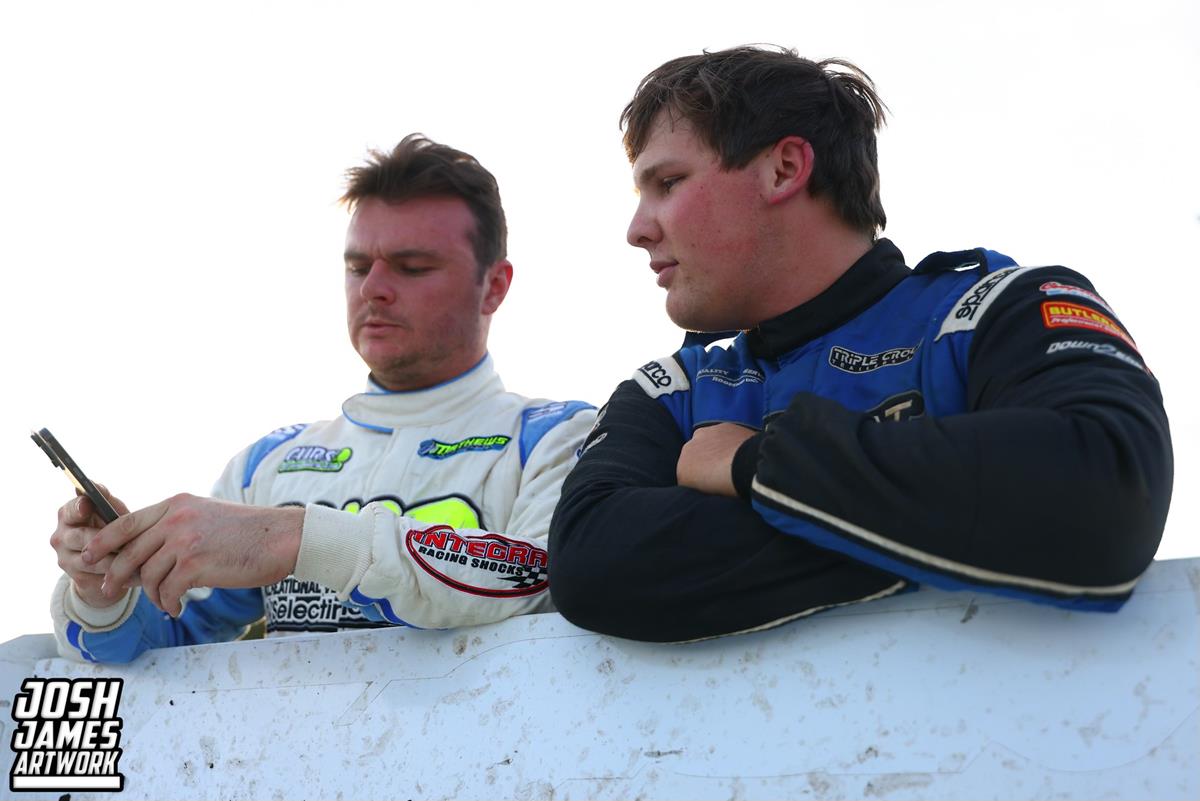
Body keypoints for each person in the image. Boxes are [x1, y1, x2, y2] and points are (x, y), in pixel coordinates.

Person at [548, 47, 1173, 642]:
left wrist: (752, 463)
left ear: (784, 169)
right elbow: (593, 567)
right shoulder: (673, 390)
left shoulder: (1002, 306)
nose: (637, 229)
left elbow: (1107, 494)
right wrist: (950, 526)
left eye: (668, 182)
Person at [50, 134, 595, 662]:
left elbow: (541, 579)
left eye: (413, 267)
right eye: (358, 267)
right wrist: (103, 588)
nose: (373, 288)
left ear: (494, 286)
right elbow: (150, 649)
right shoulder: (270, 463)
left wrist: (296, 539)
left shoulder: (559, 436)